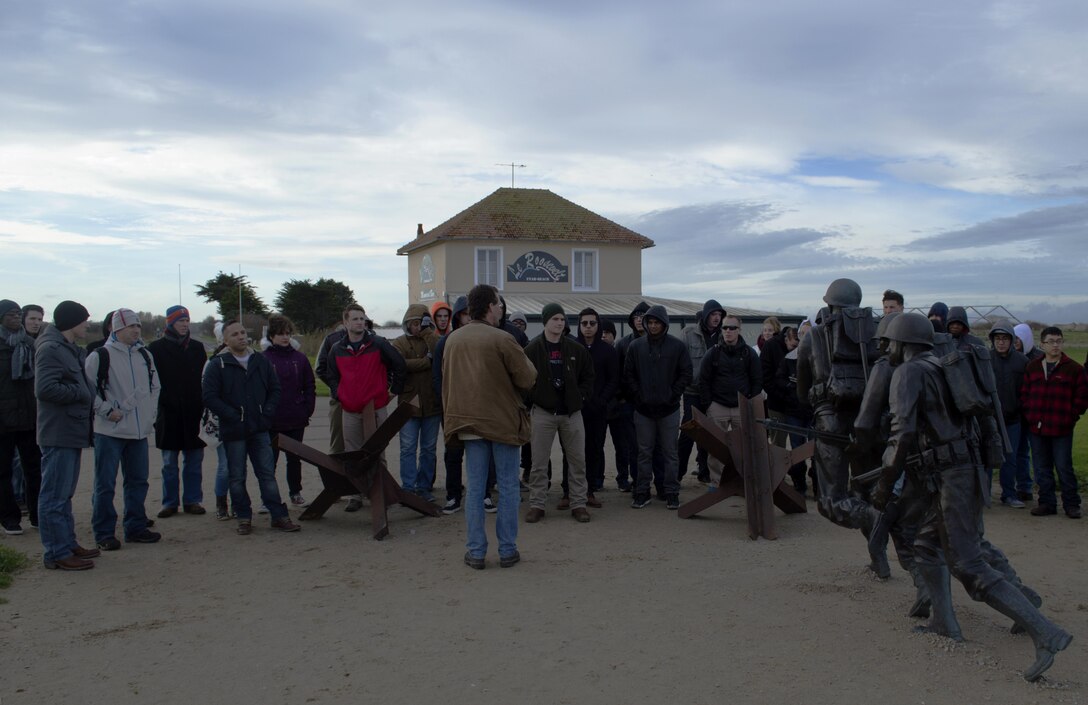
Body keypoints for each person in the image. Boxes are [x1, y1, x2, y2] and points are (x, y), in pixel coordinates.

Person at [874, 313, 1071, 682]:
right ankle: (944, 621)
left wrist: (884, 485)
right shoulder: (939, 365)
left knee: (968, 565)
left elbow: (900, 434)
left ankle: (1045, 633)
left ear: (903, 343)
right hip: (963, 469)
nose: (886, 351)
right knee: (927, 546)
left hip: (952, 475)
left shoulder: (909, 372)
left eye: (889, 344)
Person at [442, 284, 536, 569]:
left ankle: (476, 551)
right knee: (507, 487)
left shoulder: (453, 340)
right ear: (489, 306)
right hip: (502, 423)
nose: (502, 308)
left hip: (468, 422)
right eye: (499, 303)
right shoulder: (503, 339)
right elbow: (528, 378)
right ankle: (507, 550)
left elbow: (447, 381)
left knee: (475, 489)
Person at [796, 279, 879, 536]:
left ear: (828, 303)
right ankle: (880, 553)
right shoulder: (874, 335)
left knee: (831, 500)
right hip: (870, 421)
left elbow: (802, 392)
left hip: (830, 422)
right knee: (868, 491)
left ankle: (875, 518)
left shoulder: (814, 337)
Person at [202, 320, 300, 535]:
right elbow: (209, 396)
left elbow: (274, 389)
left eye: (243, 332)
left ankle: (279, 515)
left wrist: (267, 414)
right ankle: (244, 517)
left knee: (267, 473)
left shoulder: (260, 361)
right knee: (236, 476)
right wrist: (233, 415)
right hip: (234, 430)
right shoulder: (217, 364)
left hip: (259, 428)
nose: (241, 337)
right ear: (225, 340)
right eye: (235, 334)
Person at [85, 309, 161, 550]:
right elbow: (88, 392)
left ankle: (136, 526)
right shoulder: (99, 356)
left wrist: (150, 415)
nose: (136, 330)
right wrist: (107, 411)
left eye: (138, 326)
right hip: (109, 432)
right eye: (131, 326)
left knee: (138, 481)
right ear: (115, 329)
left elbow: (155, 387)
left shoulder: (145, 356)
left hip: (139, 433)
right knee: (105, 484)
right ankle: (104, 532)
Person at [35, 301, 100, 570]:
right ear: (72, 322)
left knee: (64, 494)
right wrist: (81, 393)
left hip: (70, 431)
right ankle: (56, 553)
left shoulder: (68, 349)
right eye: (84, 320)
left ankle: (67, 543)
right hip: (58, 431)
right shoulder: (51, 349)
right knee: (54, 495)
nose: (87, 324)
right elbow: (45, 389)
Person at [524, 303, 595, 523]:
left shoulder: (576, 349)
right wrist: (534, 399)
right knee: (539, 462)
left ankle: (579, 504)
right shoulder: (533, 349)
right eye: (555, 319)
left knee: (577, 461)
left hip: (571, 413)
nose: (559, 323)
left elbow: (588, 376)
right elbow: (523, 380)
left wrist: (580, 397)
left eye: (562, 319)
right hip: (543, 413)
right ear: (545, 321)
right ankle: (537, 504)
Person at [623, 304, 692, 510]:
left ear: (664, 324)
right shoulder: (636, 347)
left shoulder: (677, 346)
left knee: (670, 453)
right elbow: (629, 375)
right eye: (650, 322)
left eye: (657, 323)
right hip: (643, 410)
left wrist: (673, 394)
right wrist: (638, 396)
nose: (653, 326)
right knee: (644, 452)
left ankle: (671, 492)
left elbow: (686, 373)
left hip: (669, 409)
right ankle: (642, 491)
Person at [147, 305, 209, 518]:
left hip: (193, 411)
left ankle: (192, 500)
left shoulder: (197, 348)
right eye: (180, 321)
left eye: (186, 320)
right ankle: (169, 502)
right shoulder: (155, 349)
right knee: (169, 463)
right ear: (170, 323)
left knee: (193, 461)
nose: (184, 324)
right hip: (168, 411)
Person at [1020, 326, 1087, 519]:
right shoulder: (1032, 367)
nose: (1055, 345)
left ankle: (1072, 504)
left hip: (1061, 427)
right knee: (1041, 467)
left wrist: (1071, 416)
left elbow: (1082, 397)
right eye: (1051, 341)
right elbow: (1025, 394)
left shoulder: (1074, 369)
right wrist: (1030, 414)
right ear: (1042, 344)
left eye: (1058, 341)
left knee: (1064, 466)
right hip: (1037, 426)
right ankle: (1047, 503)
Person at [699, 314, 762, 490]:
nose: (728, 331)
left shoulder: (749, 353)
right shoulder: (713, 353)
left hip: (741, 406)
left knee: (743, 447)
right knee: (716, 447)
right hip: (718, 405)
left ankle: (742, 480)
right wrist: (709, 405)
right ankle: (716, 481)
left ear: (739, 330)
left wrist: (749, 401)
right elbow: (703, 380)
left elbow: (757, 379)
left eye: (732, 328)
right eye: (725, 327)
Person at [262, 314, 316, 507]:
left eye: (287, 333)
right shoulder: (263, 359)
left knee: (294, 459)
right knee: (270, 461)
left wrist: (307, 409)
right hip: (272, 420)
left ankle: (295, 493)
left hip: (296, 417)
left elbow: (309, 385)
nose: (284, 337)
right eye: (280, 334)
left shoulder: (299, 359)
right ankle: (268, 498)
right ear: (271, 336)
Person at [392, 303, 441, 501]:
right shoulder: (399, 342)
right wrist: (426, 362)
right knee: (408, 448)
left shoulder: (434, 339)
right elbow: (400, 365)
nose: (417, 326)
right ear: (407, 324)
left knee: (429, 449)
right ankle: (408, 487)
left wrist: (428, 334)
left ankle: (424, 487)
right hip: (408, 403)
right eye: (414, 323)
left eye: (421, 322)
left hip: (432, 403)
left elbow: (440, 354)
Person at [1, 299, 41, 534]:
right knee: (3, 471)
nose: (16, 318)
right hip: (3, 419)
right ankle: (9, 517)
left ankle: (37, 514)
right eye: (11, 314)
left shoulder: (31, 344)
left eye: (18, 314)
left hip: (29, 416)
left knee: (34, 468)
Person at [574, 307, 618, 500]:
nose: (588, 327)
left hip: (598, 409)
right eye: (584, 323)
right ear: (579, 326)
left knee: (594, 449)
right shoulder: (572, 347)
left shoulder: (607, 350)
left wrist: (602, 400)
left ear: (598, 325)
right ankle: (570, 490)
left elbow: (613, 379)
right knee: (573, 451)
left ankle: (590, 489)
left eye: (592, 323)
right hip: (575, 409)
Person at [679, 300, 723, 483]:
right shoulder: (688, 334)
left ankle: (705, 471)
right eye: (713, 314)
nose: (717, 318)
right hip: (692, 392)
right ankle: (677, 474)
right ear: (705, 315)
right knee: (688, 433)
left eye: (720, 315)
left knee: (709, 434)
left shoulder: (723, 335)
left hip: (714, 394)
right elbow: (680, 361)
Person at [432, 296, 470, 513]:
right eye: (465, 314)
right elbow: (437, 377)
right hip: (452, 407)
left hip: (476, 407)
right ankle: (453, 495)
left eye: (471, 313)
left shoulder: (481, 340)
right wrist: (446, 400)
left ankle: (482, 494)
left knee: (479, 453)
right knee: (453, 453)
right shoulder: (444, 343)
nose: (468, 318)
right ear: (458, 316)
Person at [987, 320, 1028, 508]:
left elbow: (1026, 390)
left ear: (1011, 340)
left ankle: (1009, 494)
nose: (1001, 342)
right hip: (989, 418)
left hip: (1013, 418)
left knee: (1009, 459)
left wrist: (1020, 408)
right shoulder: (985, 359)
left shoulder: (1022, 361)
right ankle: (983, 494)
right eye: (997, 338)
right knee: (987, 457)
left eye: (1004, 338)